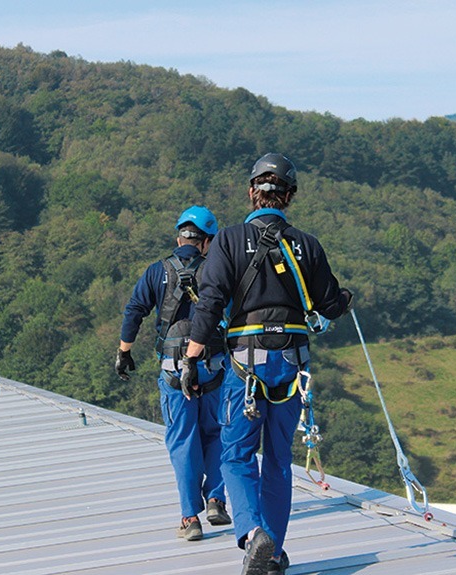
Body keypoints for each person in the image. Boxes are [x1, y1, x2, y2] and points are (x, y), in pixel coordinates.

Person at [181, 154, 352, 575]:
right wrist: (344, 299)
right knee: (277, 459)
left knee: (236, 456)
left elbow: (210, 303)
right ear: (289, 196)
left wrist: (191, 357)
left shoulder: (228, 240)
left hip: (246, 364)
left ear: (251, 191)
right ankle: (273, 554)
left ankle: (253, 533)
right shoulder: (306, 245)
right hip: (291, 365)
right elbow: (329, 304)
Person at [115, 205, 232, 542]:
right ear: (207, 241)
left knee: (183, 441)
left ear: (179, 236)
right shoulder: (218, 270)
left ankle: (189, 518)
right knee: (216, 435)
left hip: (172, 368)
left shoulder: (157, 272)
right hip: (213, 368)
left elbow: (134, 310)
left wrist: (124, 352)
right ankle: (215, 500)